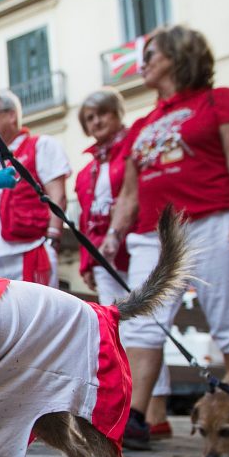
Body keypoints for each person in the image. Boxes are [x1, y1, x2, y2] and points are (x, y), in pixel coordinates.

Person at [100, 24, 229, 449]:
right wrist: (115, 233)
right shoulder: (142, 125)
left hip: (212, 218)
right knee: (140, 326)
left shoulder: (216, 100)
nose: (144, 61)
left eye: (153, 53)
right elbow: (130, 192)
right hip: (154, 232)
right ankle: (134, 418)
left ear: (179, 54)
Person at [73, 88, 172, 437]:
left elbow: (134, 197)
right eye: (90, 117)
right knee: (118, 329)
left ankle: (153, 409)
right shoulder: (85, 172)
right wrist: (88, 259)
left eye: (103, 113)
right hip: (103, 254)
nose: (97, 121)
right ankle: (135, 408)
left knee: (148, 324)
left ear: (117, 114)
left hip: (134, 247)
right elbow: (86, 218)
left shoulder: (132, 150)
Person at [0, 90, 70, 287]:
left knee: (36, 316)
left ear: (11, 115)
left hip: (29, 251)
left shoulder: (40, 146)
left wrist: (52, 241)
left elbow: (58, 196)